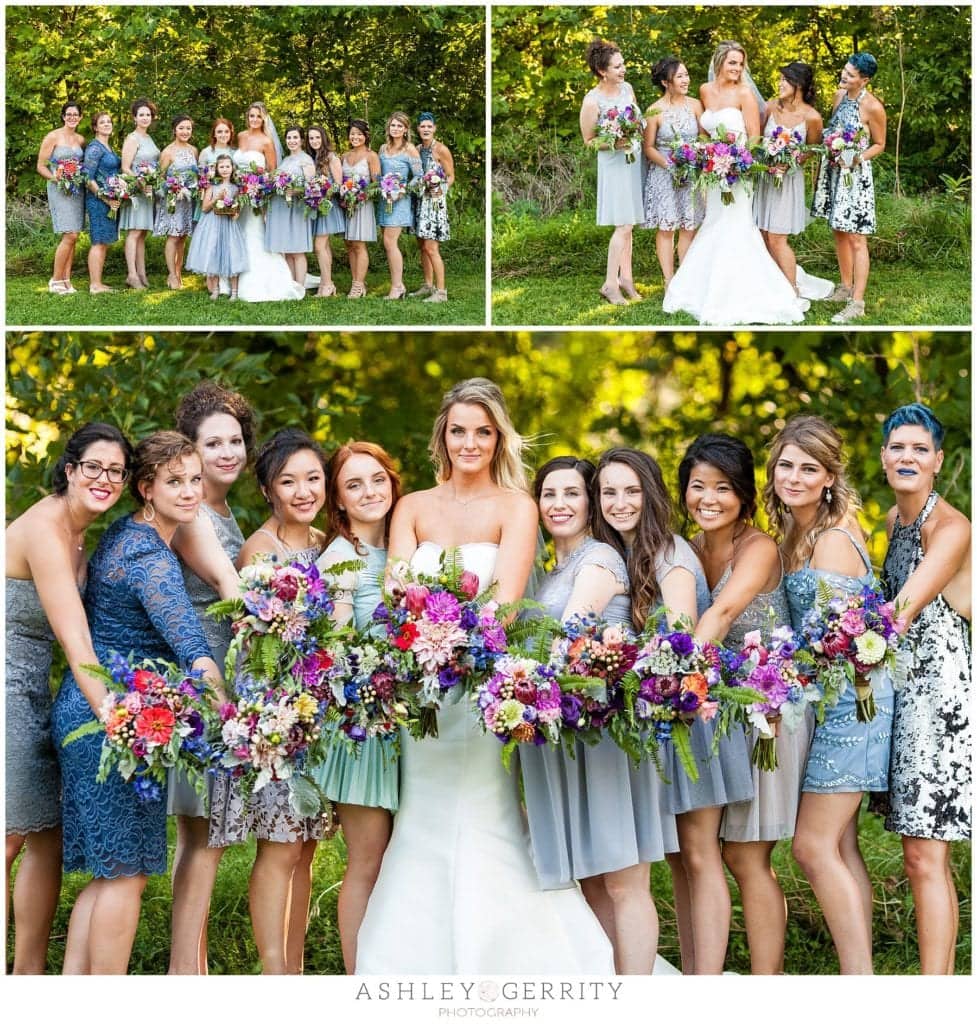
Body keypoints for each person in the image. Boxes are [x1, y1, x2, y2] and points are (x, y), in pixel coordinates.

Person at [355, 379, 615, 974]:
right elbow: (398, 591)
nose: (469, 443)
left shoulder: (516, 506)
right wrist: (424, 646)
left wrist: (456, 645)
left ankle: (518, 954)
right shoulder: (412, 506)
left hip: (480, 693)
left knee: (487, 813)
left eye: (482, 431)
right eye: (458, 431)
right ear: (442, 437)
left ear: (498, 438)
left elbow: (506, 603)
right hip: (422, 692)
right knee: (421, 814)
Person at [50, 432, 223, 974]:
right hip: (112, 720)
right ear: (146, 488)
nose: (190, 491)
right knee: (126, 875)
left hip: (90, 710)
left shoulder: (125, 534)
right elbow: (189, 641)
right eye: (175, 482)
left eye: (195, 480)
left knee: (112, 874)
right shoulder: (150, 556)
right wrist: (223, 703)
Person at [591, 446, 751, 975]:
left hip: (689, 713)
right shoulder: (621, 554)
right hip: (660, 719)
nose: (620, 502)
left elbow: (681, 640)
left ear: (652, 494)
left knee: (700, 854)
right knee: (681, 857)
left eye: (631, 491)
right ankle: (691, 972)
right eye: (609, 492)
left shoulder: (670, 553)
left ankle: (706, 983)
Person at [519, 456, 678, 976]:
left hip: (611, 736)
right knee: (590, 877)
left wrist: (516, 683)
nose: (559, 504)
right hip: (572, 733)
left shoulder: (600, 560)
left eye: (572, 493)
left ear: (590, 502)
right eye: (549, 495)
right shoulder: (552, 570)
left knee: (624, 880)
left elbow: (568, 634)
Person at [679, 434, 814, 974]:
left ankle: (766, 982)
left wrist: (678, 673)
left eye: (722, 488)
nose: (708, 499)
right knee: (714, 850)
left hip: (770, 711)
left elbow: (722, 614)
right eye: (698, 486)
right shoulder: (689, 550)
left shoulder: (759, 548)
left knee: (746, 853)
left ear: (743, 495)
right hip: (720, 710)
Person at [766, 415, 894, 974]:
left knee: (812, 846)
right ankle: (858, 977)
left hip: (855, 704)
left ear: (829, 478)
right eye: (785, 465)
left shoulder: (834, 540)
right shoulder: (795, 534)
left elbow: (837, 642)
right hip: (831, 702)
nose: (793, 477)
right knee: (840, 845)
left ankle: (857, 982)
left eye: (808, 468)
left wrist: (776, 675)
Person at [5, 423, 132, 973]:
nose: (104, 479)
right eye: (94, 467)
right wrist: (114, 715)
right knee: (10, 835)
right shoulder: (45, 529)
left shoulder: (84, 534)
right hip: (6, 683)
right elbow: (75, 638)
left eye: (116, 471)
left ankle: (28, 976)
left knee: (45, 836)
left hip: (35, 687)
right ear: (71, 469)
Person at [207, 428, 331, 975]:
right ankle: (274, 971)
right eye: (288, 481)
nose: (303, 491)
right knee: (280, 847)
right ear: (267, 490)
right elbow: (253, 648)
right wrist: (272, 725)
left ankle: (295, 968)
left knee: (306, 847)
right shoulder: (259, 550)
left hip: (320, 711)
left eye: (313, 478)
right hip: (278, 715)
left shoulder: (326, 542)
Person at [166, 382, 257, 974]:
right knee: (203, 833)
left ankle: (190, 966)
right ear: (190, 450)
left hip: (223, 675)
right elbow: (234, 589)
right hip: (202, 681)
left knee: (204, 834)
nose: (228, 452)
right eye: (213, 443)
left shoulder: (225, 511)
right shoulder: (194, 513)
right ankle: (184, 973)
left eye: (235, 440)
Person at [876, 403, 971, 974]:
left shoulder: (951, 527)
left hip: (941, 706)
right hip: (904, 696)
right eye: (897, 447)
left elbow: (899, 614)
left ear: (937, 461)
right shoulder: (894, 520)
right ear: (883, 456)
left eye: (919, 449)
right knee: (920, 856)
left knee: (924, 856)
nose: (907, 457)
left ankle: (936, 997)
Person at [313, 442, 402, 973]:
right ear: (339, 501)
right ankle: (358, 978)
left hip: (403, 722)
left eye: (377, 479)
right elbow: (339, 650)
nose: (369, 492)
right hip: (361, 728)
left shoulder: (406, 547)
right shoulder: (341, 558)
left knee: (401, 858)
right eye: (354, 484)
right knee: (368, 860)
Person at [662, 41, 808, 325]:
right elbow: (705, 133)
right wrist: (708, 156)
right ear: (719, 62)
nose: (737, 68)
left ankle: (745, 291)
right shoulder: (705, 90)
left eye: (740, 64)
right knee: (714, 223)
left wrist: (734, 162)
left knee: (736, 227)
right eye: (732, 62)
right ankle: (703, 287)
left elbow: (753, 137)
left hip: (739, 174)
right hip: (712, 173)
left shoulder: (745, 94)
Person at [811, 52, 887, 324]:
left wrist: (857, 158)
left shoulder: (873, 107)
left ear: (864, 80)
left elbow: (879, 144)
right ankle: (844, 287)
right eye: (845, 70)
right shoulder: (839, 96)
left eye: (851, 74)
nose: (844, 76)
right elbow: (833, 131)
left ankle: (857, 302)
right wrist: (832, 148)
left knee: (856, 237)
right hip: (835, 171)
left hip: (855, 176)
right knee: (839, 230)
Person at [753, 62, 832, 300]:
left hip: (788, 182)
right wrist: (766, 159)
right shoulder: (769, 107)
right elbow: (757, 139)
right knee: (762, 233)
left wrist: (791, 161)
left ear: (798, 84)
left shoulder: (812, 117)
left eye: (784, 80)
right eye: (780, 79)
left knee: (777, 238)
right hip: (766, 177)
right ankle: (772, 283)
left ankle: (791, 290)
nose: (779, 84)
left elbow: (812, 149)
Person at [579, 38, 644, 305]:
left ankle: (626, 279)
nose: (623, 69)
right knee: (623, 224)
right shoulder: (592, 101)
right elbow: (589, 140)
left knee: (630, 224)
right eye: (617, 66)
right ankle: (609, 283)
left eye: (623, 64)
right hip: (614, 164)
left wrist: (635, 131)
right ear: (602, 71)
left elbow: (636, 121)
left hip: (633, 161)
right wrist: (614, 142)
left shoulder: (627, 89)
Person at [641, 57, 704, 290]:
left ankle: (685, 279)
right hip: (664, 174)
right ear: (666, 82)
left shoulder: (695, 105)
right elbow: (648, 147)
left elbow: (704, 137)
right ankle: (669, 280)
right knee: (667, 227)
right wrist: (671, 165)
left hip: (691, 173)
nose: (686, 80)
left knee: (689, 225)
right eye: (680, 76)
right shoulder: (654, 110)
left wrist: (695, 156)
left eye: (686, 75)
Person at [232, 105, 305, 302]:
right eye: (251, 116)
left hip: (255, 198)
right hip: (238, 195)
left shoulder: (266, 141)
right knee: (237, 234)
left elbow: (272, 173)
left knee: (254, 234)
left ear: (264, 119)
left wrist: (257, 189)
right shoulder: (240, 136)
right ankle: (232, 280)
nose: (254, 119)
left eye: (258, 116)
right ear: (247, 117)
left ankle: (256, 280)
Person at [36, 100, 86, 294]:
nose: (72, 117)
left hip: (76, 191)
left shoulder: (80, 139)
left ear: (80, 117)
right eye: (69, 114)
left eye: (76, 114)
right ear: (63, 116)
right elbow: (41, 166)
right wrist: (55, 178)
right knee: (69, 234)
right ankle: (55, 280)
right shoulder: (53, 136)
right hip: (59, 189)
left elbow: (81, 165)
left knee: (74, 235)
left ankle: (66, 280)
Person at [185, 153, 248, 300]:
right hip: (212, 224)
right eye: (222, 167)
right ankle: (215, 289)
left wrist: (233, 212)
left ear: (232, 168)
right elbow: (204, 208)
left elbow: (237, 211)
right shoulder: (211, 187)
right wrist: (217, 198)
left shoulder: (236, 188)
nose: (225, 169)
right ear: (217, 169)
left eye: (227, 166)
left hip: (229, 225)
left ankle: (234, 292)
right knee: (212, 254)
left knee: (232, 254)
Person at [377, 111, 421, 300]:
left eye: (399, 126)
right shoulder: (383, 148)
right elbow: (378, 173)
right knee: (387, 243)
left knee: (390, 242)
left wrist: (402, 190)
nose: (395, 128)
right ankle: (399, 284)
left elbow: (419, 176)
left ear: (405, 129)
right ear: (389, 128)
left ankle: (396, 287)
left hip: (400, 200)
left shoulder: (409, 149)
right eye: (393, 125)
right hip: (384, 199)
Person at [410, 112, 454, 302]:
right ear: (418, 129)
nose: (426, 129)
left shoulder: (441, 150)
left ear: (434, 128)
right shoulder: (416, 149)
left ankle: (441, 292)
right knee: (422, 245)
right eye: (423, 126)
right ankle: (428, 285)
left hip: (434, 203)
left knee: (431, 247)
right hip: (420, 201)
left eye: (429, 126)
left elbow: (450, 176)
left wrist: (440, 188)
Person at [265, 125, 315, 289]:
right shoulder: (285, 160)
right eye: (289, 138)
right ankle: (291, 285)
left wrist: (296, 191)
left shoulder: (306, 160)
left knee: (298, 250)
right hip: (282, 208)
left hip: (297, 209)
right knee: (287, 248)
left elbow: (311, 187)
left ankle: (300, 285)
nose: (291, 141)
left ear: (301, 140)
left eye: (295, 138)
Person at [118, 98, 160, 290]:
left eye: (148, 115)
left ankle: (142, 273)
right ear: (134, 117)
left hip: (147, 191)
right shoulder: (132, 138)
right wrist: (141, 183)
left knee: (142, 233)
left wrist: (151, 182)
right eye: (141, 114)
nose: (145, 118)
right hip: (137, 191)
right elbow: (125, 167)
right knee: (134, 232)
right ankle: (131, 275)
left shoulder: (148, 138)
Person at [154, 114, 199, 290]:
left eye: (188, 128)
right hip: (173, 200)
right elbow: (159, 179)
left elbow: (197, 175)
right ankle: (171, 274)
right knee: (173, 236)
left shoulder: (194, 150)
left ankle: (178, 272)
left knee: (183, 236)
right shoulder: (167, 152)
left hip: (188, 200)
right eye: (181, 128)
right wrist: (174, 188)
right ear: (174, 130)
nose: (185, 131)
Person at [81, 111, 122, 294]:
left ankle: (98, 282)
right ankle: (95, 285)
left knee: (103, 241)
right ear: (95, 127)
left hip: (110, 200)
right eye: (102, 122)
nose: (107, 124)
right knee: (98, 240)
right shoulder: (95, 148)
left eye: (109, 121)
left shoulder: (108, 146)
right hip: (98, 201)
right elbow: (87, 178)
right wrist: (105, 198)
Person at [341, 119, 381, 299]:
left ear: (366, 136)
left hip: (363, 205)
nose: (355, 137)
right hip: (346, 205)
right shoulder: (344, 156)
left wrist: (360, 195)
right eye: (352, 134)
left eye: (359, 134)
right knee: (349, 243)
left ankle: (358, 285)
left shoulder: (371, 156)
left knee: (359, 244)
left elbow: (377, 184)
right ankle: (357, 281)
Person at [306, 124, 345, 297]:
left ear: (323, 138)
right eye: (311, 138)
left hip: (328, 206)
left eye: (317, 137)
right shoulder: (312, 158)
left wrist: (323, 190)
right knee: (325, 246)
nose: (314, 141)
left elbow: (338, 185)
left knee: (319, 246)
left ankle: (327, 284)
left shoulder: (331, 157)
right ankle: (326, 284)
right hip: (317, 206)